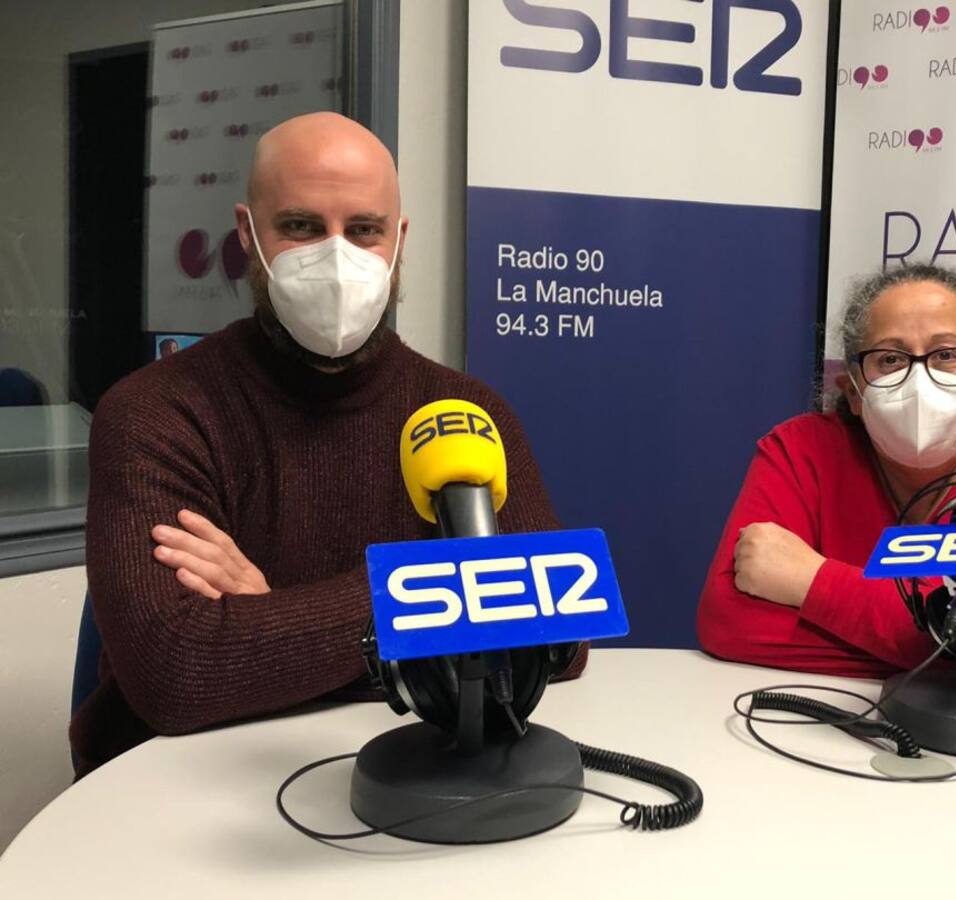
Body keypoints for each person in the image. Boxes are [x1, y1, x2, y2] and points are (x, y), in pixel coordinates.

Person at [71, 113, 584, 776]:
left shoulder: (466, 415)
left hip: (404, 769)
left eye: (364, 229)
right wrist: (440, 597)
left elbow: (557, 644)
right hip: (169, 785)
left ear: (398, 240)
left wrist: (271, 617)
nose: (337, 259)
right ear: (248, 235)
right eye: (301, 226)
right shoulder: (156, 412)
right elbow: (176, 674)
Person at [695, 264, 956, 707]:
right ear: (853, 391)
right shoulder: (799, 451)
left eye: (947, 355)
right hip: (851, 730)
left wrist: (813, 582)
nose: (920, 378)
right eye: (890, 359)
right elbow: (728, 623)